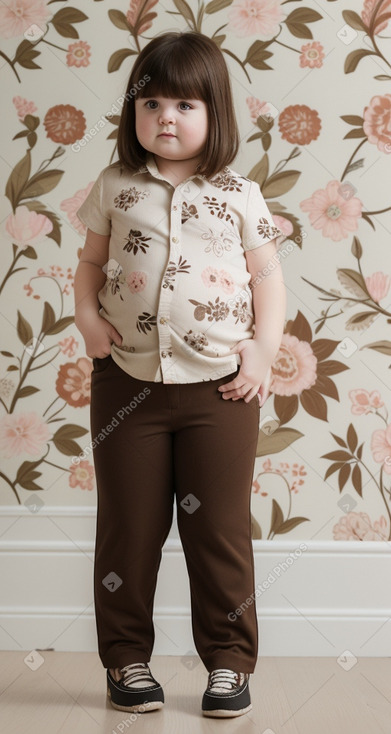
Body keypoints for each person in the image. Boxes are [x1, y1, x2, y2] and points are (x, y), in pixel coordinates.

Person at [74, 30, 286, 719]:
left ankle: (228, 665)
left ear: (213, 114)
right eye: (152, 102)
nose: (166, 117)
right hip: (125, 386)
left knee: (217, 529)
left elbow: (268, 280)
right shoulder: (114, 186)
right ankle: (126, 662)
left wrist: (261, 351)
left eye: (185, 104)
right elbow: (88, 265)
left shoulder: (239, 194)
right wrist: (86, 318)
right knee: (127, 528)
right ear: (133, 114)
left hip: (220, 392)